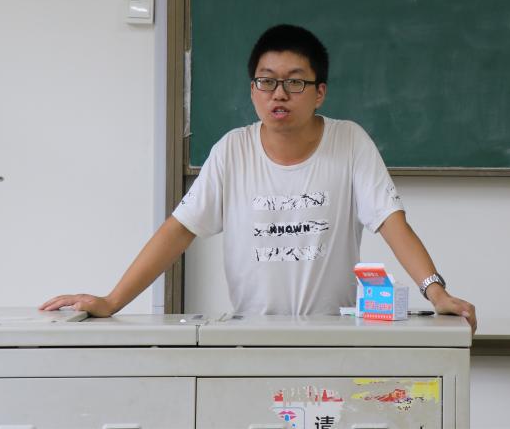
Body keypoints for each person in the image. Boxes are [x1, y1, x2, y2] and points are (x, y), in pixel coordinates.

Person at [41, 24, 476, 331]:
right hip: (251, 336)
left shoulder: (349, 142)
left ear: (320, 92)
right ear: (253, 90)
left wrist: (435, 292)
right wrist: (113, 300)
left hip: (335, 335)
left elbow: (392, 223)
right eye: (266, 82)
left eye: (295, 83)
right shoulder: (233, 150)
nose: (279, 94)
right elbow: (178, 230)